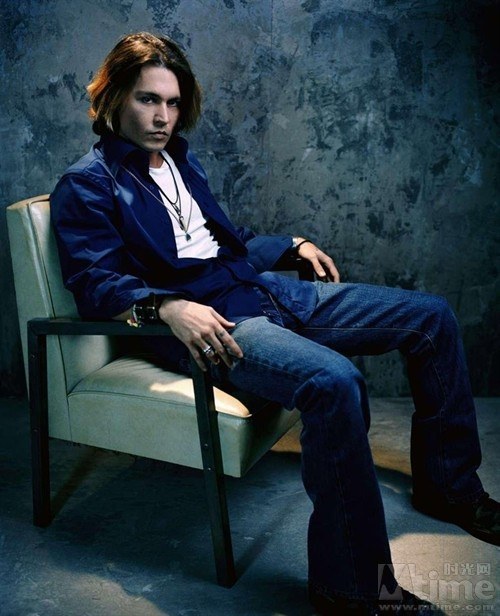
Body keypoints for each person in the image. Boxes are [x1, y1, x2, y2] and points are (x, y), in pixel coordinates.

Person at [50, 32, 499, 616]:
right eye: (148, 100)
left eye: (173, 102)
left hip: (263, 290)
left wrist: (290, 244)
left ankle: (450, 489)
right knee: (334, 382)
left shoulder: (179, 159)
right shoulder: (88, 183)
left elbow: (220, 243)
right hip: (215, 322)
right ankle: (352, 587)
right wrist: (165, 307)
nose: (163, 117)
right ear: (113, 98)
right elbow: (95, 284)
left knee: (431, 318)